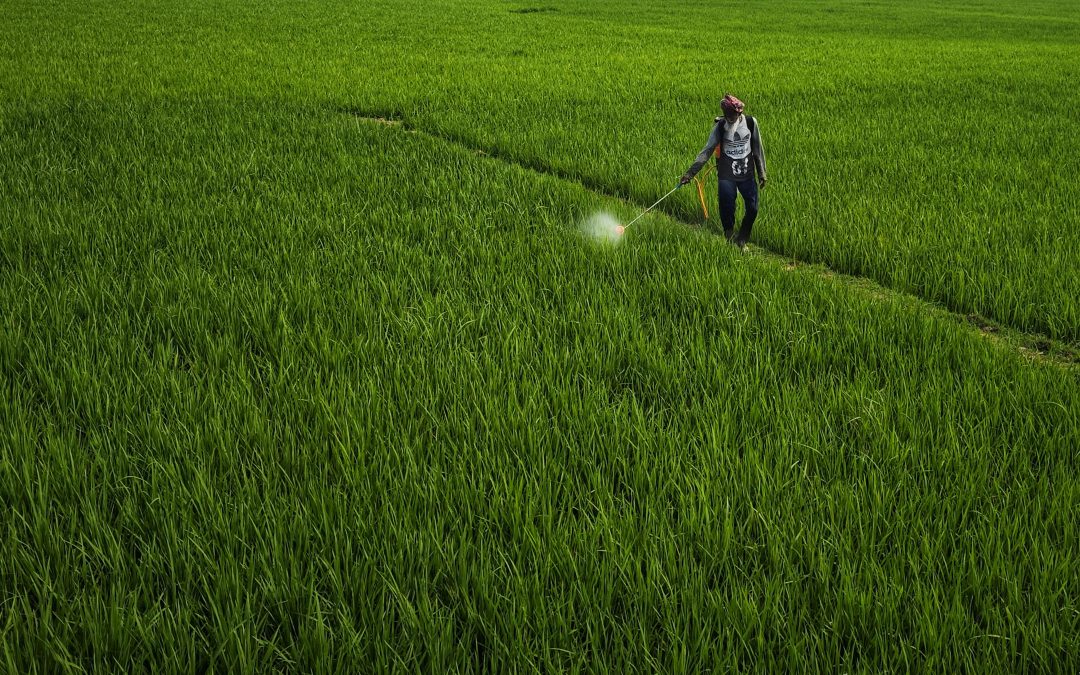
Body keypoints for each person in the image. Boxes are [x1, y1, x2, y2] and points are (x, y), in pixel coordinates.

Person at [680, 94, 767, 248]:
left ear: (739, 113)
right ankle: (729, 236)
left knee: (753, 208)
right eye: (727, 115)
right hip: (727, 171)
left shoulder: (750, 123)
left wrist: (762, 172)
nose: (729, 118)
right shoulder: (720, 127)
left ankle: (742, 239)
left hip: (746, 170)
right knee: (727, 205)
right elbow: (707, 151)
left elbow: (757, 148)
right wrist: (690, 173)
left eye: (732, 115)